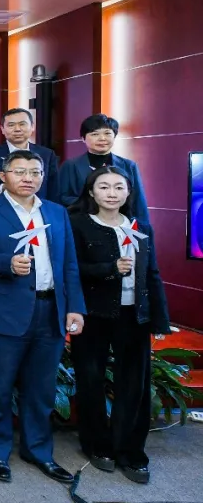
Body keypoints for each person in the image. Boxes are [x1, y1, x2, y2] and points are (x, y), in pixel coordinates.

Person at [0, 150, 85, 484]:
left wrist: (74, 306)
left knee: (42, 387)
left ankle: (38, 450)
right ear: (3, 176)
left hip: (50, 309)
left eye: (35, 172)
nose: (28, 178)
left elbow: (69, 264)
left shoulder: (56, 212)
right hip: (5, 310)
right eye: (20, 171)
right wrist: (5, 263)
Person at [69, 166, 170, 484]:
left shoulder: (141, 227)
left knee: (134, 385)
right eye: (104, 187)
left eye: (118, 187)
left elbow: (152, 273)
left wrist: (159, 318)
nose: (111, 193)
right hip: (94, 314)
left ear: (128, 192)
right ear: (91, 192)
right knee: (91, 380)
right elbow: (72, 269)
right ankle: (97, 445)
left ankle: (131, 450)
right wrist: (109, 268)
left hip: (134, 316)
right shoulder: (78, 224)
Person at [60, 114, 151, 226]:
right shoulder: (70, 165)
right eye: (95, 134)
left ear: (115, 136)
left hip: (120, 225)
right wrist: (94, 202)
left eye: (107, 133)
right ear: (83, 138)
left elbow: (139, 203)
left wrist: (143, 229)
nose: (102, 138)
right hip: (81, 225)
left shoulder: (129, 166)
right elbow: (61, 198)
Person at [0, 108, 60, 202]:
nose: (17, 129)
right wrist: (3, 187)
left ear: (32, 127)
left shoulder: (47, 154)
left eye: (22, 124)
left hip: (39, 206)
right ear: (2, 129)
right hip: (1, 206)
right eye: (11, 125)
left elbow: (54, 188)